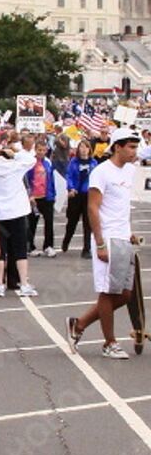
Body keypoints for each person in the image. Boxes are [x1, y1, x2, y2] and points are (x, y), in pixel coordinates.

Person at [65, 127, 140, 359]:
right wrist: (99, 243)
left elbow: (121, 207)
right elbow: (92, 207)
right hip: (106, 238)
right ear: (117, 146)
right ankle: (109, 343)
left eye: (136, 147)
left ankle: (78, 325)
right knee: (107, 292)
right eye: (131, 147)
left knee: (126, 295)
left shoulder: (129, 171)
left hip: (122, 237)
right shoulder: (102, 172)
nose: (134, 151)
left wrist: (130, 232)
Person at [0, 139, 37, 297]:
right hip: (16, 211)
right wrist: (15, 153)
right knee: (20, 249)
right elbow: (31, 159)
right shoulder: (15, 166)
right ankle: (23, 283)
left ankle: (0, 284)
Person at [62, 139, 96, 257]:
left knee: (88, 223)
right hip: (75, 194)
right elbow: (69, 175)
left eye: (86, 147)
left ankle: (86, 249)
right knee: (72, 221)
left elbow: (96, 178)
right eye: (81, 147)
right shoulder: (74, 162)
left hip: (88, 195)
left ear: (89, 149)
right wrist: (70, 188)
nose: (83, 149)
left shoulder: (93, 163)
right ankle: (66, 240)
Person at [26, 139, 57, 257]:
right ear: (35, 150)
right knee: (32, 223)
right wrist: (30, 195)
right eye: (39, 150)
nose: (41, 152)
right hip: (35, 197)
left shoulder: (48, 163)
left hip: (47, 197)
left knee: (49, 222)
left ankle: (48, 246)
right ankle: (30, 246)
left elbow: (51, 179)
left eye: (44, 150)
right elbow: (27, 180)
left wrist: (53, 194)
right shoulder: (31, 163)